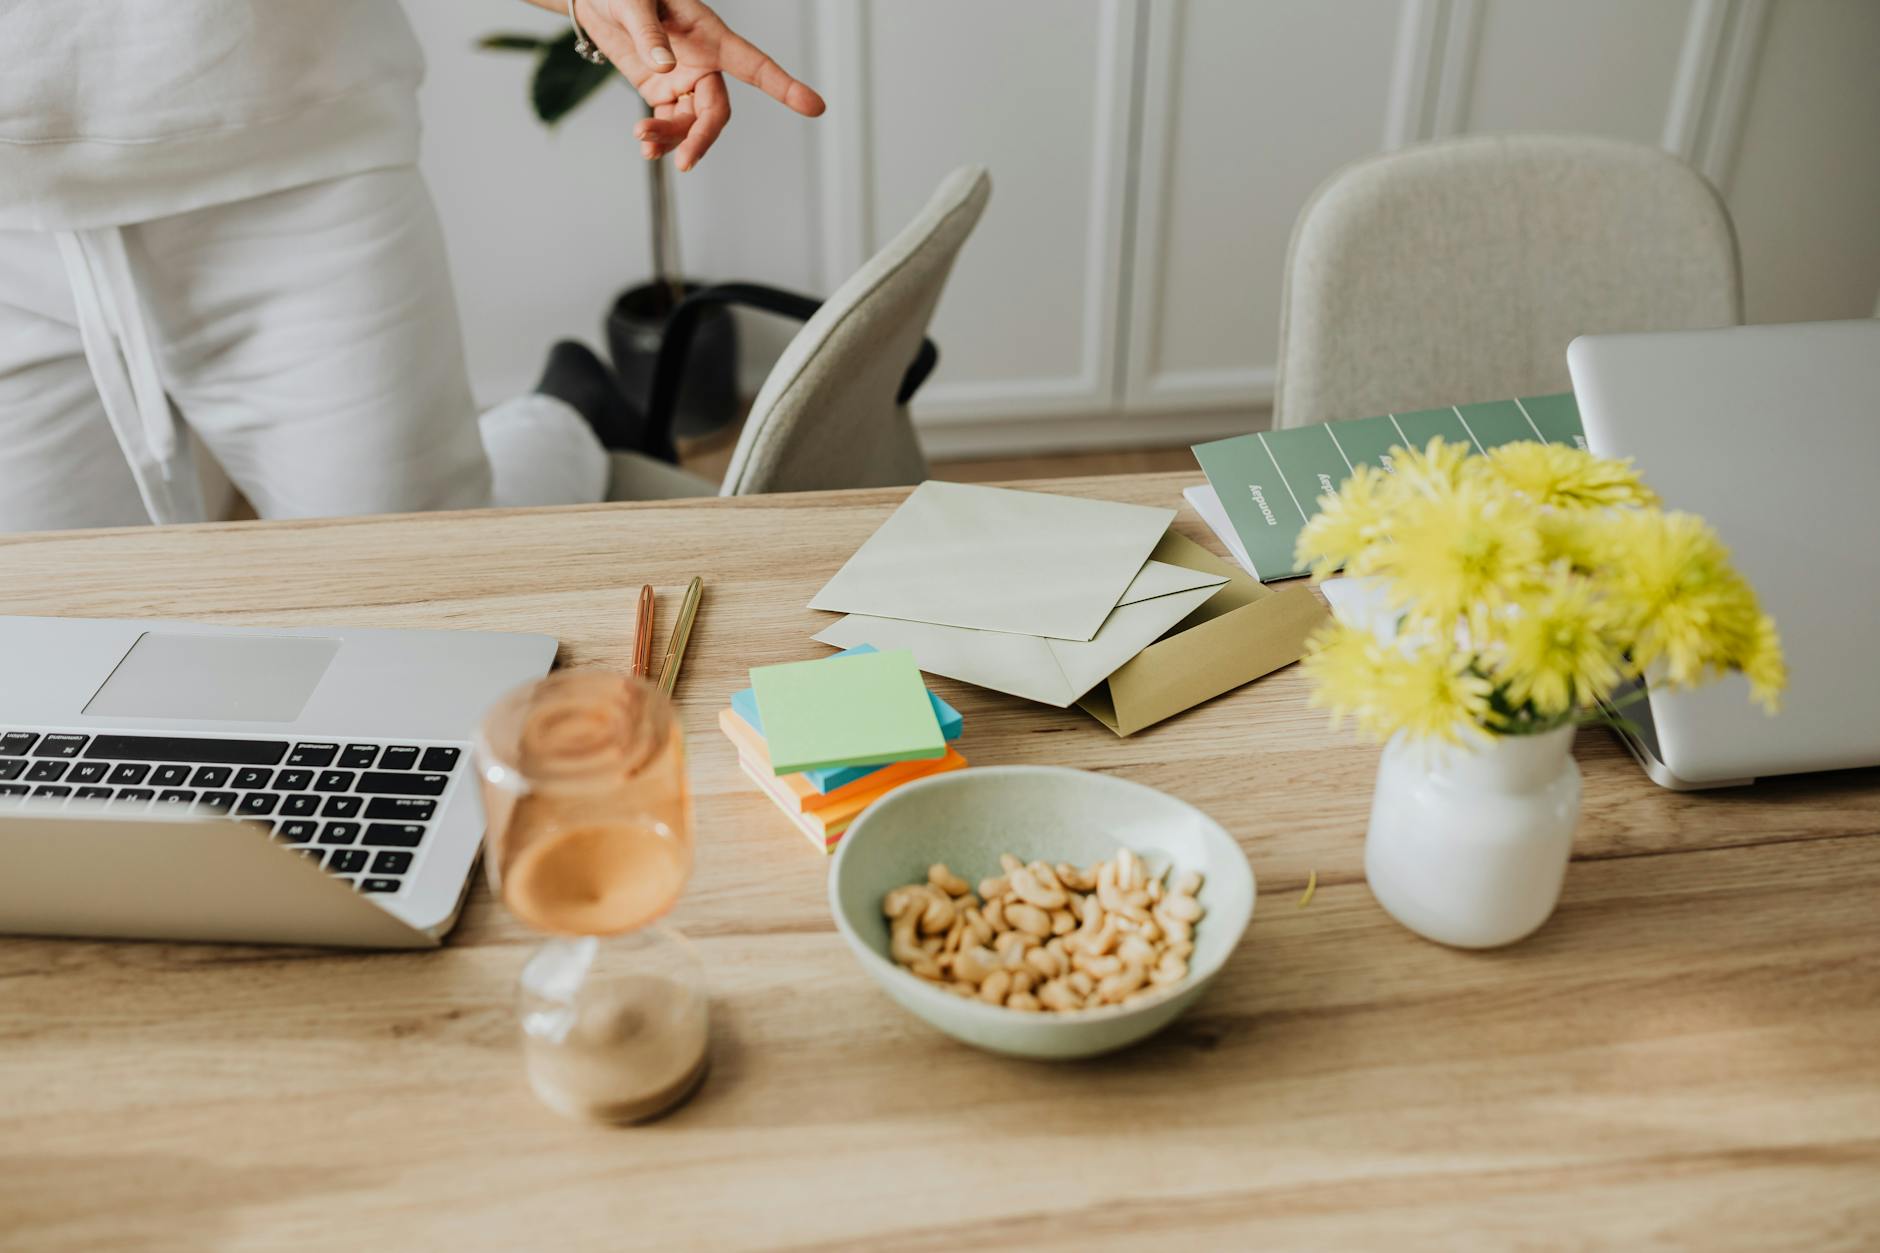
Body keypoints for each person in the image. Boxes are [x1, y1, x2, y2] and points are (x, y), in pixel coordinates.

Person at [0, 0, 823, 532]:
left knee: (423, 579)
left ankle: (564, 417)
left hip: (298, 166)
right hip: (12, 227)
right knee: (55, 632)